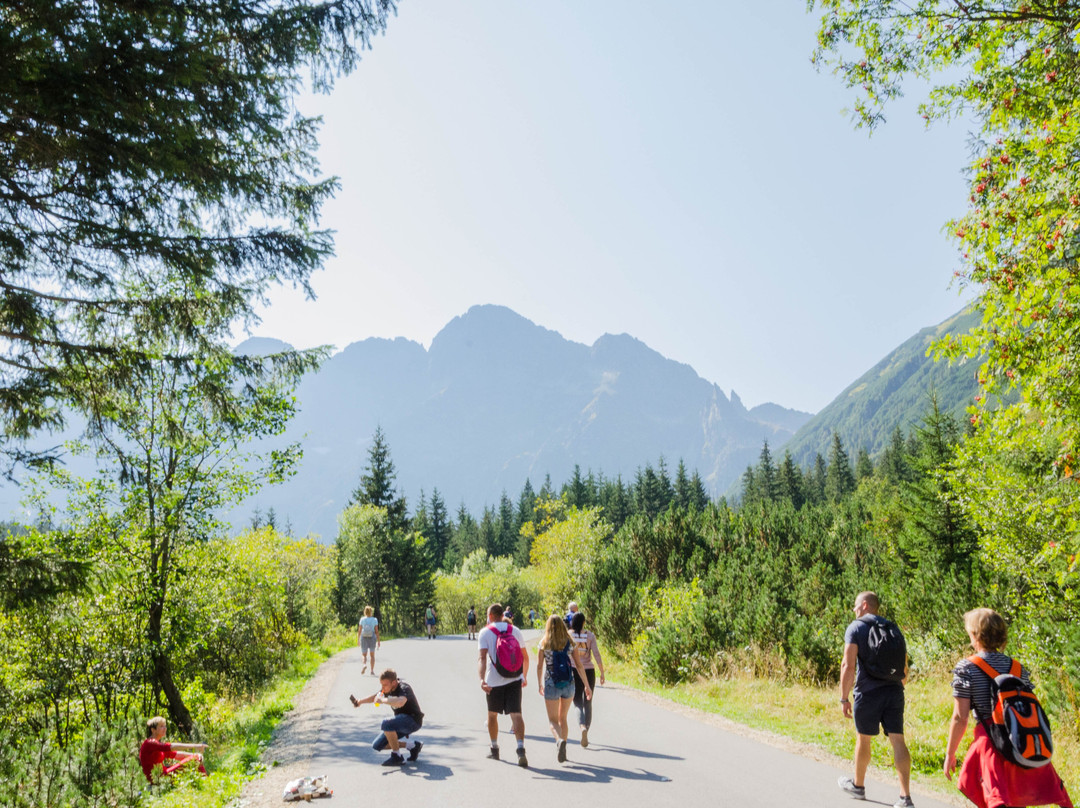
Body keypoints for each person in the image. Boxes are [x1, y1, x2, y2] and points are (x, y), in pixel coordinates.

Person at [944, 608, 1072, 808]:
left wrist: (950, 754)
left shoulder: (966, 668)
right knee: (1015, 800)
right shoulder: (1017, 667)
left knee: (997, 800)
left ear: (976, 635)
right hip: (1019, 741)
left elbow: (960, 718)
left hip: (990, 743)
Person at [838, 591, 913, 808]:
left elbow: (848, 665)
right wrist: (898, 686)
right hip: (894, 691)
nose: (854, 611)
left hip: (868, 693)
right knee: (898, 740)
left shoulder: (856, 628)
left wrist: (844, 698)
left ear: (864, 605)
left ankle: (858, 786)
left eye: (855, 607)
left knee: (864, 738)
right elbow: (904, 665)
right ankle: (905, 797)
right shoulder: (893, 628)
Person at [478, 602, 530, 767]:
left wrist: (481, 680)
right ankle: (520, 749)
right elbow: (524, 656)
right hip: (514, 678)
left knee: (492, 715)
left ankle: (494, 748)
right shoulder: (515, 630)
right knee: (516, 715)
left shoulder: (485, 633)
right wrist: (523, 676)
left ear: (491, 616)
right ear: (502, 615)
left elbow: (482, 658)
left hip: (494, 681)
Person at [536, 614, 591, 763]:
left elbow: (540, 665)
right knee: (563, 718)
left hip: (551, 683)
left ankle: (560, 741)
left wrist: (539, 683)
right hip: (569, 683)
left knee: (553, 721)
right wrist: (587, 685)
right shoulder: (569, 641)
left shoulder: (544, 642)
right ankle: (564, 752)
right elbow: (579, 665)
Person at [350, 668, 425, 766]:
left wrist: (382, 700)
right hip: (400, 722)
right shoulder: (387, 689)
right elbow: (375, 697)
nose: (383, 687)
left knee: (386, 723)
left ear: (394, 682)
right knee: (377, 745)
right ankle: (413, 746)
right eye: (381, 685)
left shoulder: (404, 688)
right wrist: (360, 701)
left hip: (413, 721)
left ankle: (397, 756)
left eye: (385, 685)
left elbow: (400, 702)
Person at [570, 610, 605, 748]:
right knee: (588, 701)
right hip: (589, 670)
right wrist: (602, 672)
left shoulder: (569, 635)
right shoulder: (590, 635)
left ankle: (582, 726)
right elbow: (596, 654)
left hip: (574, 670)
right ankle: (586, 732)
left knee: (577, 701)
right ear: (584, 622)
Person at [139, 716, 208, 782]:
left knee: (196, 758)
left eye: (165, 726)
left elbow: (175, 754)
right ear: (153, 730)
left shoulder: (156, 744)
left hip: (163, 774)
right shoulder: (150, 743)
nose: (165, 728)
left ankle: (203, 783)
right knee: (195, 760)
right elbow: (172, 747)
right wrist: (196, 746)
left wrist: (195, 755)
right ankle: (207, 783)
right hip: (159, 777)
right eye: (161, 726)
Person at [357, 605, 380, 675]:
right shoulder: (375, 619)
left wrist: (358, 639)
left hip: (364, 637)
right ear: (371, 612)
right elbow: (376, 631)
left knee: (364, 655)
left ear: (365, 612)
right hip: (372, 637)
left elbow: (359, 630)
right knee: (372, 655)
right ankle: (372, 671)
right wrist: (378, 640)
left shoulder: (362, 619)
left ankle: (364, 664)